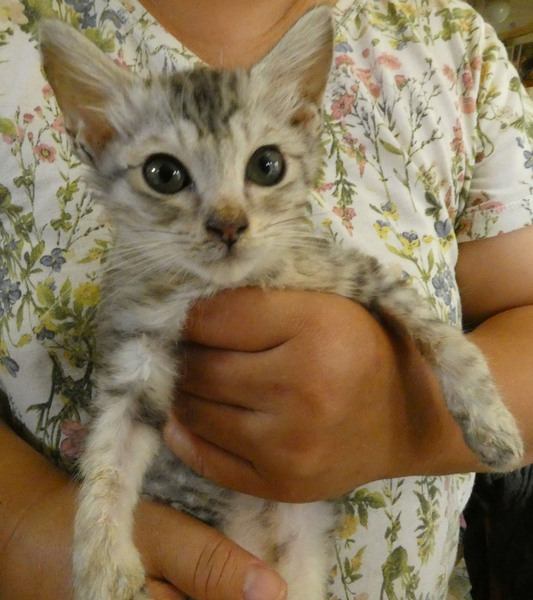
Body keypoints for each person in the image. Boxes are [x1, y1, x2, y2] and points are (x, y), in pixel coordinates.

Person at [1, 0, 532, 598]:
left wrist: (417, 419)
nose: (227, 221)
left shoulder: (444, 40)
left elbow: (420, 297)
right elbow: (129, 398)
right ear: (95, 139)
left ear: (304, 120)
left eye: (264, 165)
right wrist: (35, 532)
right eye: (167, 175)